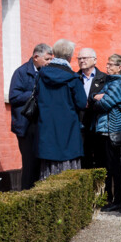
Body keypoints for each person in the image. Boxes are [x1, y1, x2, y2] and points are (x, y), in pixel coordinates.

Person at [35, 38, 87, 181]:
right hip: (68, 128)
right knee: (68, 168)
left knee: (48, 167)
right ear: (69, 56)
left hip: (46, 126)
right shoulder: (73, 78)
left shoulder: (41, 74)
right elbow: (82, 103)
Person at [9, 42, 52, 190]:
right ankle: (26, 192)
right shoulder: (21, 72)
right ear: (35, 57)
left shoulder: (46, 72)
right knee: (29, 162)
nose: (49, 62)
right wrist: (34, 93)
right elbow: (13, 97)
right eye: (47, 59)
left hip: (41, 123)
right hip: (25, 124)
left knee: (41, 161)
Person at [92, 54, 121, 212]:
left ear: (119, 67)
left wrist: (97, 99)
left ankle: (117, 200)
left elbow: (104, 105)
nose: (106, 67)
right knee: (110, 167)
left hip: (111, 130)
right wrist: (97, 97)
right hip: (106, 130)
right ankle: (111, 199)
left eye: (110, 64)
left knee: (113, 167)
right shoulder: (111, 82)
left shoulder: (116, 84)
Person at [77, 47, 107, 170]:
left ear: (94, 60)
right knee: (83, 160)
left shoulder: (104, 78)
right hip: (79, 124)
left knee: (100, 160)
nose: (82, 60)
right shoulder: (74, 77)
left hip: (97, 124)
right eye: (79, 58)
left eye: (85, 58)